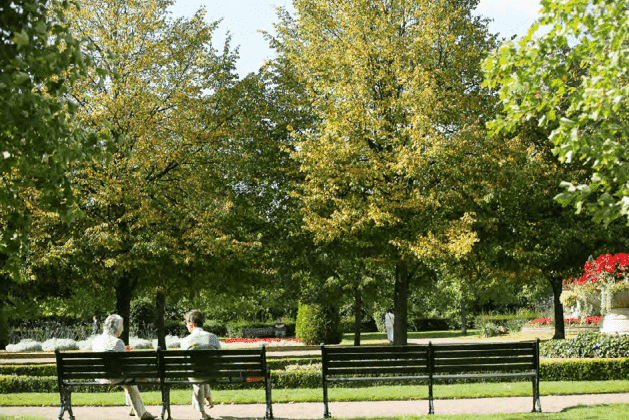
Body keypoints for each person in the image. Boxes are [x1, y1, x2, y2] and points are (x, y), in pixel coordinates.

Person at [92, 314, 155, 420]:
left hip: (100, 377)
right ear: (118, 328)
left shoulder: (96, 341)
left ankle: (135, 409)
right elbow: (125, 365)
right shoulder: (118, 342)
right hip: (115, 377)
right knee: (130, 381)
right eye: (122, 326)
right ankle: (141, 413)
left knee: (128, 381)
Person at [181, 309, 221, 420]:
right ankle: (208, 397)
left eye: (186, 323)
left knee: (197, 375)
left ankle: (202, 412)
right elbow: (219, 357)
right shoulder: (213, 337)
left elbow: (184, 361)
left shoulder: (185, 340)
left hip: (195, 374)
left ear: (191, 323)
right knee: (203, 371)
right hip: (212, 374)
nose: (186, 326)